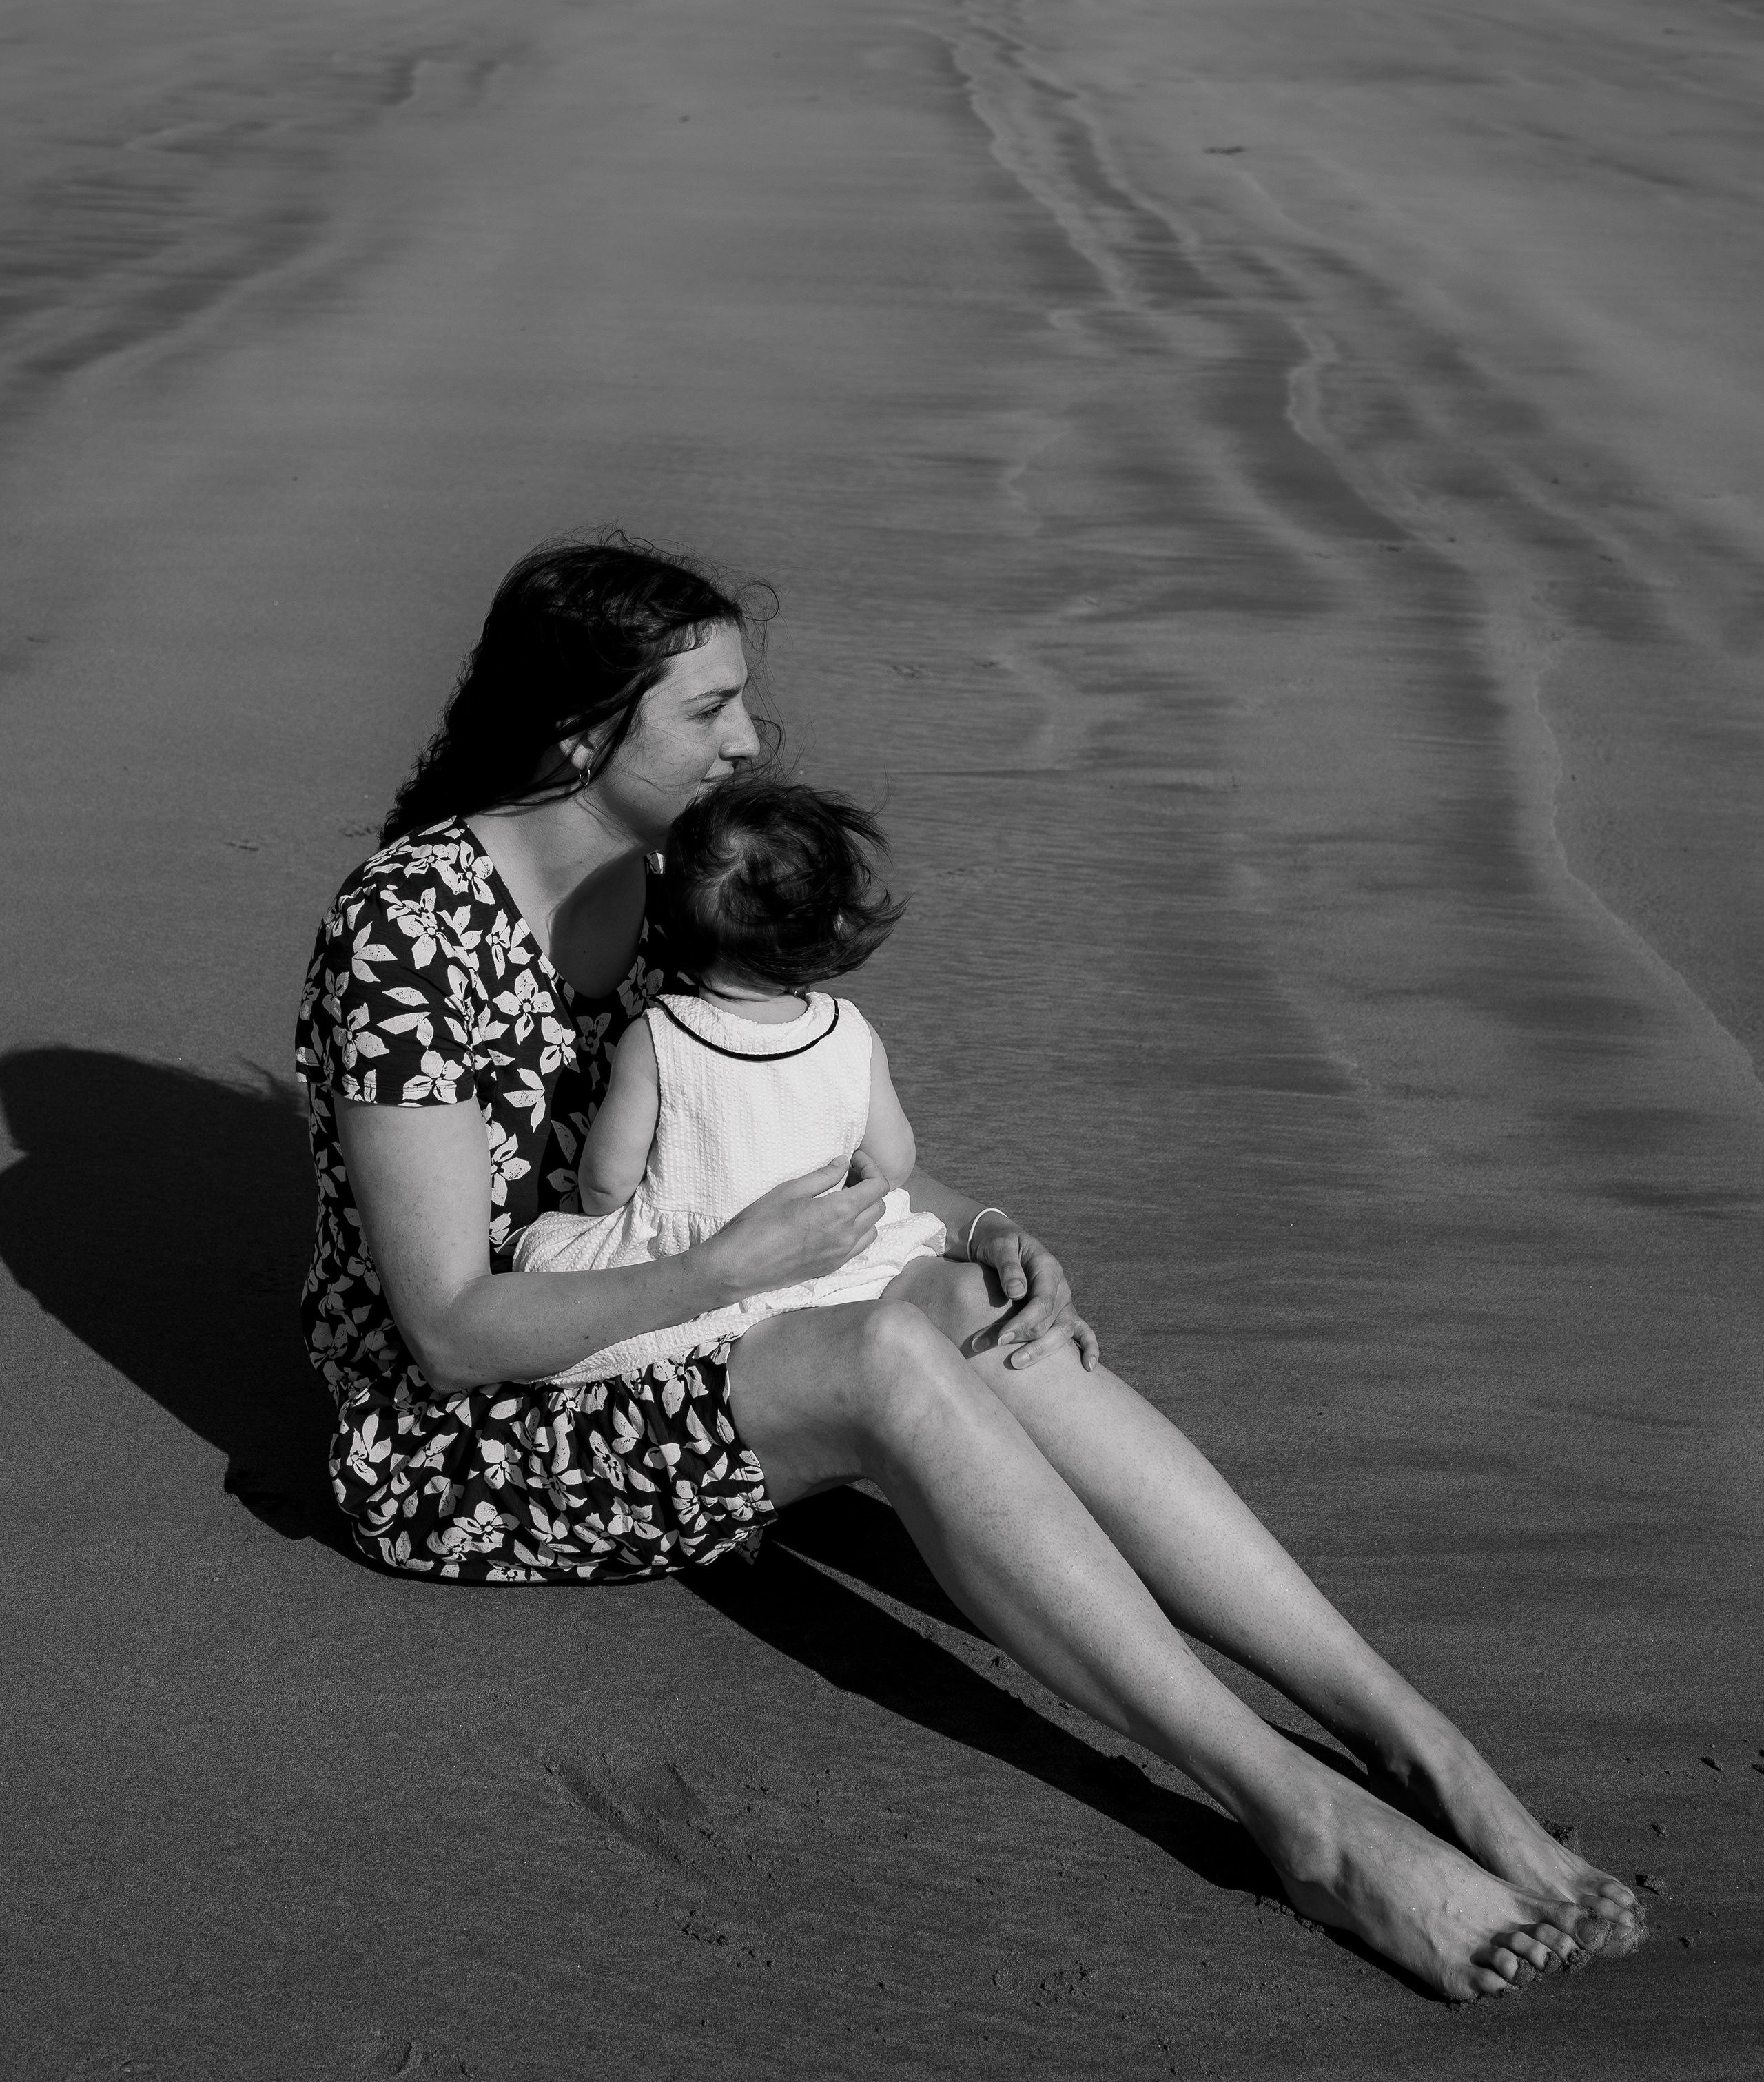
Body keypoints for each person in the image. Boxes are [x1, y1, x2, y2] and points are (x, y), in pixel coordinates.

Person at [296, 535, 1643, 2003]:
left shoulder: (670, 878)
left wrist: (977, 1221)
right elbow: (444, 1332)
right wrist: (729, 1270)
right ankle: (1296, 1810)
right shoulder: (407, 934)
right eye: (707, 710)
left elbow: (815, 1162)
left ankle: (1419, 1743)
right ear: (577, 731)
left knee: (971, 1304)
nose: (747, 739)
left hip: (684, 1325)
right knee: (884, 1356)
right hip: (463, 1447)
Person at [511, 778, 978, 1384]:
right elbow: (892, 1160)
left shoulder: (661, 1036)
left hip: (695, 1268)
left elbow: (606, 1184)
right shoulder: (848, 1032)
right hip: (825, 1267)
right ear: (834, 926)